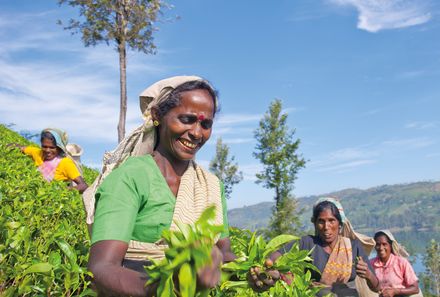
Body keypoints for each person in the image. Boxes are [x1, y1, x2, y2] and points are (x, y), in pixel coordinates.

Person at [86, 76, 236, 297]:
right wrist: (165, 283)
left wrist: (255, 270)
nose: (196, 132)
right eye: (186, 119)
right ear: (157, 116)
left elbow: (225, 254)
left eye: (205, 124)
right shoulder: (131, 177)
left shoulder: (211, 186)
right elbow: (101, 268)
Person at [271, 197, 380, 296]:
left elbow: (376, 287)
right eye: (321, 221)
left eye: (331, 220)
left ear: (340, 224)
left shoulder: (353, 246)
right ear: (315, 224)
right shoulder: (308, 243)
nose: (326, 227)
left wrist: (368, 274)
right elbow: (275, 257)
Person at [8, 128, 88, 193]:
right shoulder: (38, 153)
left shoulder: (65, 162)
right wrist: (9, 146)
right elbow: (22, 148)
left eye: (52, 147)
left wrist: (63, 191)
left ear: (59, 148)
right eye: (44, 146)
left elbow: (83, 185)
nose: (47, 150)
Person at [370, 230, 421, 297]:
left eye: (384, 244)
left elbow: (415, 289)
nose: (381, 248)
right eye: (378, 244)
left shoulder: (401, 262)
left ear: (390, 246)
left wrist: (395, 291)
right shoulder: (371, 264)